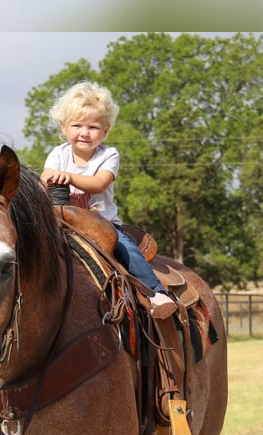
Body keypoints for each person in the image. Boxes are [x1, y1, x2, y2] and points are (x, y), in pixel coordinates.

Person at [41, 81, 177, 319]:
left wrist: (69, 176)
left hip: (102, 225)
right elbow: (45, 180)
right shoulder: (58, 154)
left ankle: (156, 293)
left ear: (105, 131)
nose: (84, 132)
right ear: (64, 127)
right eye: (77, 125)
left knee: (127, 249)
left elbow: (100, 183)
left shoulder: (108, 155)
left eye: (93, 127)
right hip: (64, 225)